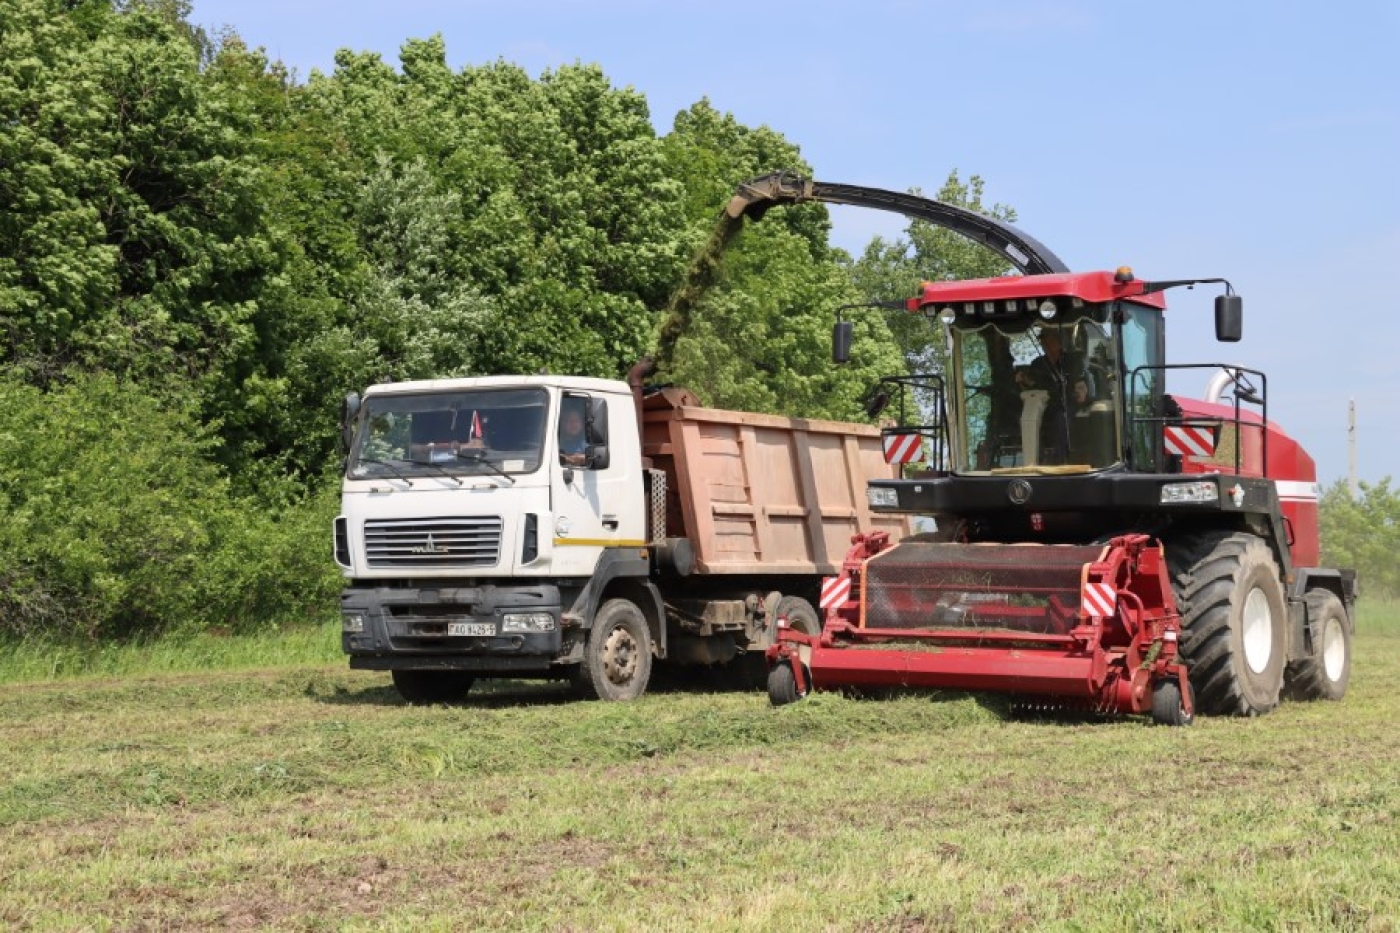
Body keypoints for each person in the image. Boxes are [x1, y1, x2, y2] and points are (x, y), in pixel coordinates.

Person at [558, 402, 588, 466]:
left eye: (576, 421)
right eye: (569, 420)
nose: (573, 424)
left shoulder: (585, 441)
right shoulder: (557, 441)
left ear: (582, 424)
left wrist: (581, 458)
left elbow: (593, 457)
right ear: (563, 424)